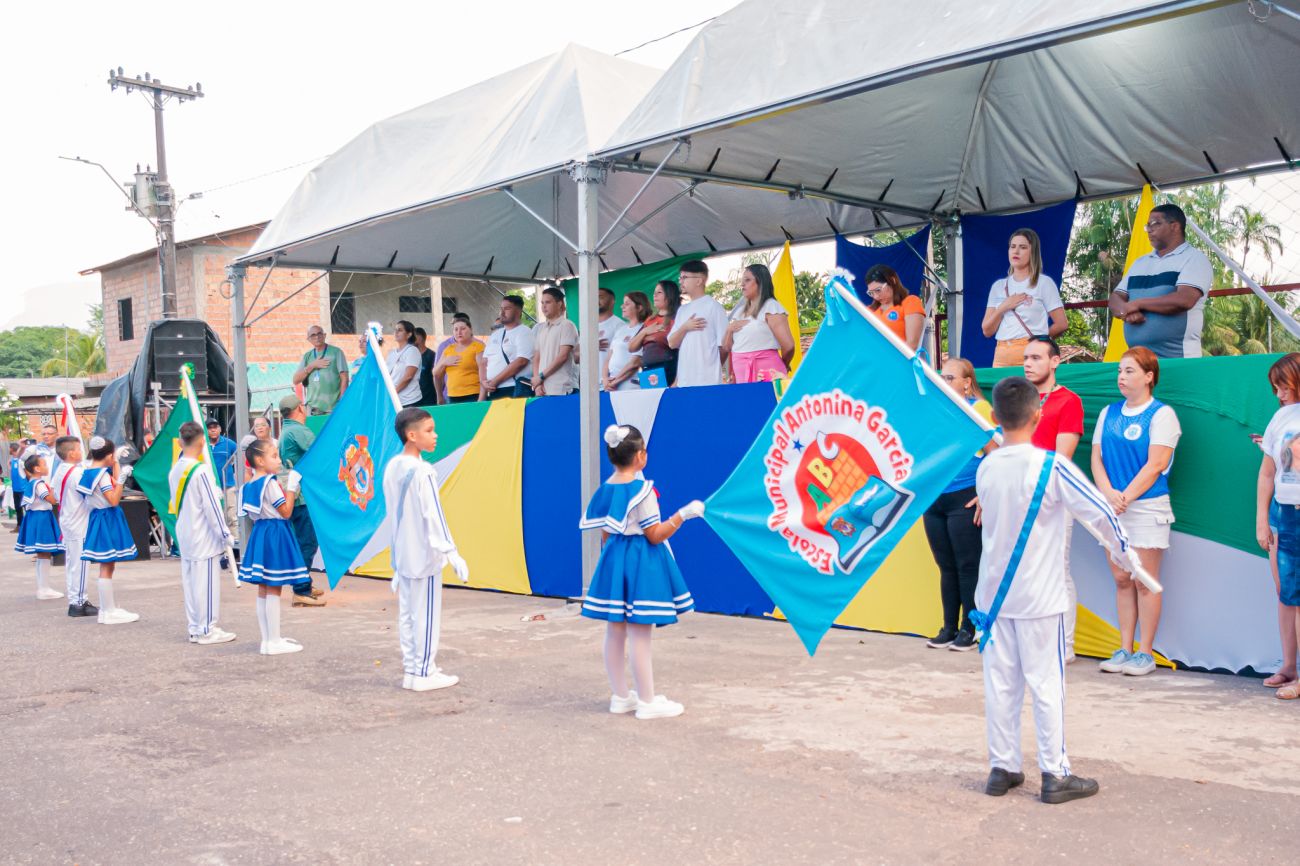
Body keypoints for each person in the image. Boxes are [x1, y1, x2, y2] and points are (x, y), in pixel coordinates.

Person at [976, 376, 1139, 804]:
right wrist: (1127, 555)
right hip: (1040, 598)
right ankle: (1054, 773)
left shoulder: (987, 466)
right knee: (1046, 685)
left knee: (1001, 685)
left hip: (992, 599)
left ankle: (1002, 768)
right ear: (1038, 415)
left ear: (994, 417)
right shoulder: (1052, 466)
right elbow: (1100, 512)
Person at [580, 424, 705, 719]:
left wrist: (615, 561)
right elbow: (655, 535)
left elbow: (606, 533)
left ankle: (621, 697)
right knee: (639, 634)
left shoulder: (606, 488)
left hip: (614, 559)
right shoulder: (642, 491)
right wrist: (682, 515)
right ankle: (647, 702)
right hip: (640, 563)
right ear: (640, 456)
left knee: (615, 631)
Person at [1090, 348, 1181, 677]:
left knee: (1144, 581)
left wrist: (1126, 497)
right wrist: (1108, 494)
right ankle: (1124, 648)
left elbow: (1156, 464)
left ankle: (1145, 653)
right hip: (1113, 507)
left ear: (1148, 376)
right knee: (1121, 578)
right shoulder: (1108, 413)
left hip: (1146, 508)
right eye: (1119, 371)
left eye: (1129, 371)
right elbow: (1096, 458)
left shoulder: (1162, 415)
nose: (1122, 377)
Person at [383, 407, 471, 691]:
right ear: (412, 435)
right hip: (423, 554)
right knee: (425, 616)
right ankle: (424, 672)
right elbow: (434, 516)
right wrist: (450, 551)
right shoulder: (423, 471)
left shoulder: (392, 467)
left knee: (409, 615)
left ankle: (413, 669)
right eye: (429, 430)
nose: (435, 436)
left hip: (403, 555)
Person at [923, 359, 997, 652]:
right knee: (945, 565)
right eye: (942, 377)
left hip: (964, 497)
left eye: (950, 378)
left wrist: (985, 492)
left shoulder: (979, 409)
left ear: (967, 383)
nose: (945, 382)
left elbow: (996, 452)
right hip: (936, 498)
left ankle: (970, 628)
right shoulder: (937, 410)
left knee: (968, 565)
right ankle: (948, 627)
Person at [1022, 336, 1084, 661]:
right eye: (1025, 358)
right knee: (1025, 573)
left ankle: (1064, 644)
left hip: (1052, 498)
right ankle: (1033, 641)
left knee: (1057, 571)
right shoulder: (1020, 400)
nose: (1028, 364)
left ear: (1055, 361)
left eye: (1036, 357)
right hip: (1019, 498)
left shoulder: (1068, 401)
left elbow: (1062, 459)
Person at [1107, 203, 1214, 359]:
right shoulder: (1139, 263)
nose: (1149, 230)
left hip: (1179, 359)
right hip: (1140, 362)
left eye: (1155, 224)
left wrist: (1137, 304)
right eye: (1147, 226)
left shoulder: (1194, 259)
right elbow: (1115, 298)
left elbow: (1184, 300)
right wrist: (1125, 311)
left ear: (1175, 226)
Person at [238, 439, 309, 655]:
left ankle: (267, 640)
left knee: (263, 588)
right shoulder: (269, 483)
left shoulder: (248, 485)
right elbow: (286, 512)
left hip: (260, 532)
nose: (278, 460)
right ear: (260, 460)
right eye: (274, 456)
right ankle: (274, 640)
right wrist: (292, 488)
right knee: (274, 587)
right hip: (275, 533)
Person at [169, 421, 237, 646]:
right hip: (203, 535)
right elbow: (212, 508)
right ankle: (208, 629)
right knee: (206, 584)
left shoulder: (175, 469)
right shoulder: (201, 471)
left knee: (191, 584)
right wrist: (225, 534)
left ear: (181, 442)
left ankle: (195, 628)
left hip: (185, 531)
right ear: (201, 442)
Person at [1258, 353, 1300, 699]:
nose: (1279, 393)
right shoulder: (1279, 417)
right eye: (1275, 387)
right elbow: (1267, 472)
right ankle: (1289, 667)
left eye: (1283, 386)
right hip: (1283, 513)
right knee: (1287, 594)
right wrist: (1262, 520)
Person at [982, 228, 1068, 367]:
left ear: (1032, 252)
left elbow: (1062, 324)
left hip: (1031, 351)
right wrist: (1003, 307)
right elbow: (987, 330)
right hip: (1001, 353)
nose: (1016, 251)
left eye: (1022, 247)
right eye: (1012, 246)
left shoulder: (1044, 283)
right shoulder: (998, 286)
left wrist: (1039, 340)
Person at [79, 437, 139, 625]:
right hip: (107, 518)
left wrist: (116, 463)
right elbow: (113, 499)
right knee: (107, 565)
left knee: (108, 564)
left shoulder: (90, 471)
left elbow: (111, 482)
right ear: (108, 455)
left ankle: (108, 609)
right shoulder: (102, 476)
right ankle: (107, 611)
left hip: (99, 517)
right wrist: (121, 479)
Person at [278, 395, 324, 607]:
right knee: (307, 542)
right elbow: (319, 452)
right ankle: (301, 589)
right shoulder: (297, 431)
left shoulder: (287, 430)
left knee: (302, 541)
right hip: (301, 496)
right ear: (299, 408)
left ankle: (304, 583)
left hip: (295, 494)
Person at [724, 263, 795, 383]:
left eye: (747, 280)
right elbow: (729, 347)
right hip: (742, 376)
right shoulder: (740, 312)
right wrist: (729, 330)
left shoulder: (771, 306)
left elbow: (789, 346)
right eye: (742, 281)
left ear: (760, 282)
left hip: (767, 372)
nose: (742, 284)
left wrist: (783, 364)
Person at [51, 436, 96, 617]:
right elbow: (89, 494)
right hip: (78, 522)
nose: (81, 452)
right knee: (81, 563)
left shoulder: (60, 470)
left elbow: (55, 495)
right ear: (71, 453)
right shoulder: (76, 473)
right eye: (78, 449)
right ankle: (79, 602)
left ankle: (74, 599)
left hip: (68, 519)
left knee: (72, 564)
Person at [667, 260, 729, 387]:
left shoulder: (714, 307)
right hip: (684, 382)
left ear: (699, 280)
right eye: (680, 278)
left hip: (708, 382)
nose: (681, 281)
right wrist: (685, 327)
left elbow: (724, 346)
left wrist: (712, 369)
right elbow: (672, 343)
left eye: (684, 277)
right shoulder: (682, 310)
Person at [14, 452, 64, 600]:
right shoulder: (39, 484)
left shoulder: (32, 482)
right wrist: (54, 488)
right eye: (44, 464)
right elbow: (51, 500)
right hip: (41, 518)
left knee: (42, 553)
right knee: (44, 553)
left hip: (35, 518)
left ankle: (43, 588)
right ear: (36, 468)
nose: (47, 467)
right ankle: (44, 589)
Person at [480, 296, 534, 400]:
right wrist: (483, 382)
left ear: (518, 311)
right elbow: (483, 362)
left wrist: (495, 381)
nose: (502, 312)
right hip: (493, 390)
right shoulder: (495, 335)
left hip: (513, 388)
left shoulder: (524, 332)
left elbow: (521, 361)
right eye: (501, 309)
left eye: (507, 308)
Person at [628, 280, 681, 386]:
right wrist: (645, 332)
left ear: (670, 295)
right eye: (654, 292)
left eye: (659, 292)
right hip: (648, 370)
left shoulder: (678, 318)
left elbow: (683, 351)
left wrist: (677, 380)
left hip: (670, 370)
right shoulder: (650, 320)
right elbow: (631, 347)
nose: (654, 295)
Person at [864, 264, 925, 352]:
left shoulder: (910, 302)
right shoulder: (869, 310)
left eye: (878, 290)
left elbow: (912, 345)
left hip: (898, 359)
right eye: (871, 293)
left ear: (892, 281)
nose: (876, 296)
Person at [531, 287, 579, 397]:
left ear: (559, 304)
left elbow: (563, 356)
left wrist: (541, 376)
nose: (543, 306)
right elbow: (536, 358)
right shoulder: (542, 329)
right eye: (542, 303)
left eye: (548, 302)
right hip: (543, 388)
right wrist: (537, 385)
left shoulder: (567, 325)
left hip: (562, 387)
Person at [292, 325, 350, 414]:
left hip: (333, 408)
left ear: (324, 335)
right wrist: (311, 366)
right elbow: (295, 380)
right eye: (313, 335)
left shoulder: (336, 352)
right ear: (308, 339)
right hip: (312, 408)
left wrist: (342, 401)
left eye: (319, 334)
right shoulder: (307, 356)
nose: (317, 337)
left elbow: (344, 377)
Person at [603, 292, 650, 392]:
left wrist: (615, 381)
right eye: (623, 303)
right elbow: (608, 358)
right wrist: (605, 379)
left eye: (627, 304)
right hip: (612, 385)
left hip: (630, 385)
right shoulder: (621, 329)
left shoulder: (643, 329)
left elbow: (635, 363)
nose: (622, 306)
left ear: (639, 307)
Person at [434, 318, 484, 404]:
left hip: (473, 394)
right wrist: (444, 362)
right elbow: (435, 373)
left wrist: (481, 398)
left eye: (463, 328)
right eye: (456, 329)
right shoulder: (448, 349)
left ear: (471, 329)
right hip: (452, 396)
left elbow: (484, 373)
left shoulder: (478, 347)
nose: (459, 332)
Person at [206, 420, 239, 530]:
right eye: (210, 428)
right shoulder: (202, 444)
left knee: (231, 517)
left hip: (228, 486)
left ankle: (235, 539)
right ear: (206, 430)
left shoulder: (229, 444)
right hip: (209, 487)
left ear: (220, 429)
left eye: (215, 427)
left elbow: (241, 455)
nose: (213, 430)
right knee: (212, 517)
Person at [387, 319, 424, 408]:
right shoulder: (391, 353)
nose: (396, 332)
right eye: (395, 330)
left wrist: (393, 392)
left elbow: (408, 377)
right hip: (395, 400)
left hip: (409, 400)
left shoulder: (412, 350)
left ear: (409, 334)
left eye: (400, 330)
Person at [596, 287, 625, 378]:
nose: (596, 300)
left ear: (612, 301)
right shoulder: (587, 326)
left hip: (609, 380)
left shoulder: (620, 325)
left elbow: (623, 354)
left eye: (600, 297)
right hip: (587, 381)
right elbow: (576, 356)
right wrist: (590, 348)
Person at [240, 416, 277, 482]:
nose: (260, 428)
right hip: (259, 482)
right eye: (256, 426)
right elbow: (248, 472)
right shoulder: (252, 448)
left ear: (270, 428)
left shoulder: (277, 444)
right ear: (254, 430)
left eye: (263, 425)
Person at [413, 327, 440, 408]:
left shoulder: (432, 356)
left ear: (420, 338)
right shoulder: (410, 356)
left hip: (429, 401)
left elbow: (437, 377)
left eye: (413, 336)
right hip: (414, 399)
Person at [9, 442, 29, 532]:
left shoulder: (21, 461)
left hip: (23, 489)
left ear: (12, 449)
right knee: (18, 508)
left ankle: (29, 526)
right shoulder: (12, 460)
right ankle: (19, 525)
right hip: (15, 489)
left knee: (26, 508)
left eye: (9, 448)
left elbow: (27, 474)